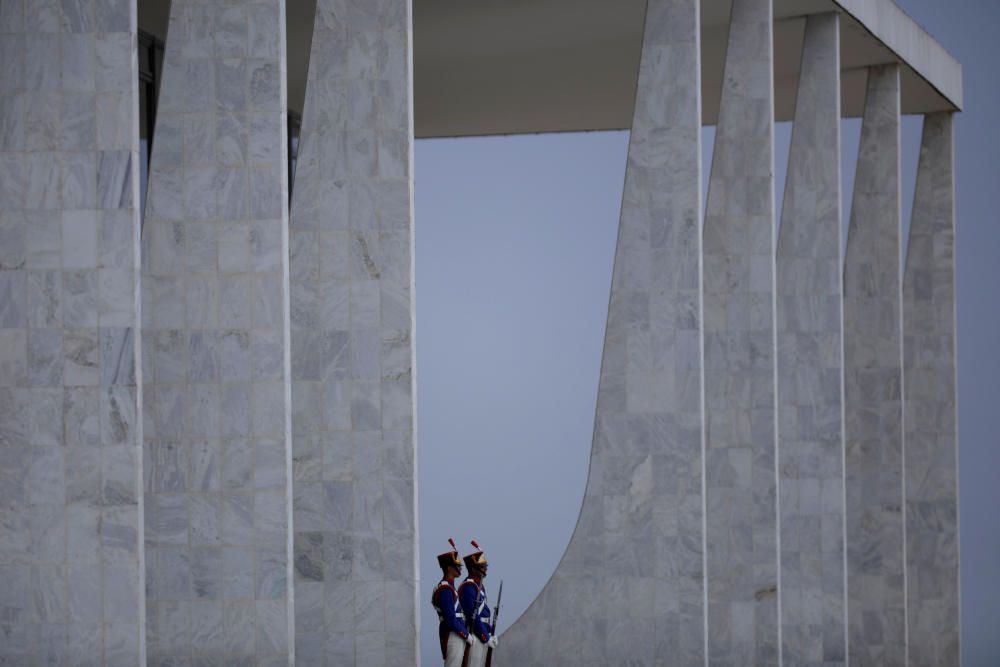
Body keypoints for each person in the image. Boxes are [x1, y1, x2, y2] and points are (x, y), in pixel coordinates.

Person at [432, 538, 472, 666]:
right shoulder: (445, 590)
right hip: (453, 635)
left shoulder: (450, 587)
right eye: (457, 566)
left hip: (456, 633)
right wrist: (465, 634)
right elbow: (450, 620)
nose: (460, 569)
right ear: (449, 568)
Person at [459, 540, 498, 667]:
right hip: (475, 634)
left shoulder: (478, 585)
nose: (485, 569)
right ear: (474, 569)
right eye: (482, 566)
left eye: (485, 566)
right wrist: (485, 636)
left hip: (482, 633)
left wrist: (490, 632)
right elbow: (472, 615)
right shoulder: (469, 587)